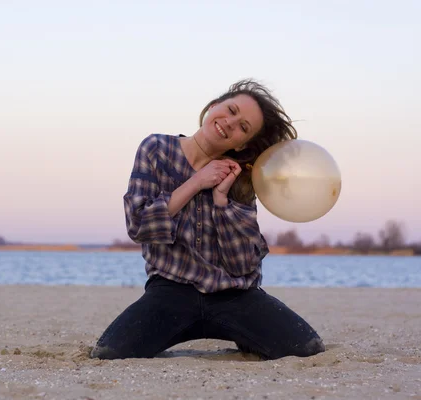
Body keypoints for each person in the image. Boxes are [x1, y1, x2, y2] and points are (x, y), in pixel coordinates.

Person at [90, 79, 325, 361]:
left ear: (243, 144)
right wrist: (196, 182)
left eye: (243, 127)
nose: (230, 123)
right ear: (213, 106)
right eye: (231, 110)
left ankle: (245, 335)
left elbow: (243, 265)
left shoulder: (240, 179)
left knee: (307, 348)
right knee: (110, 353)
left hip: (233, 297)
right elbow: (139, 225)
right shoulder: (156, 149)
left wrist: (222, 200)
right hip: (170, 290)